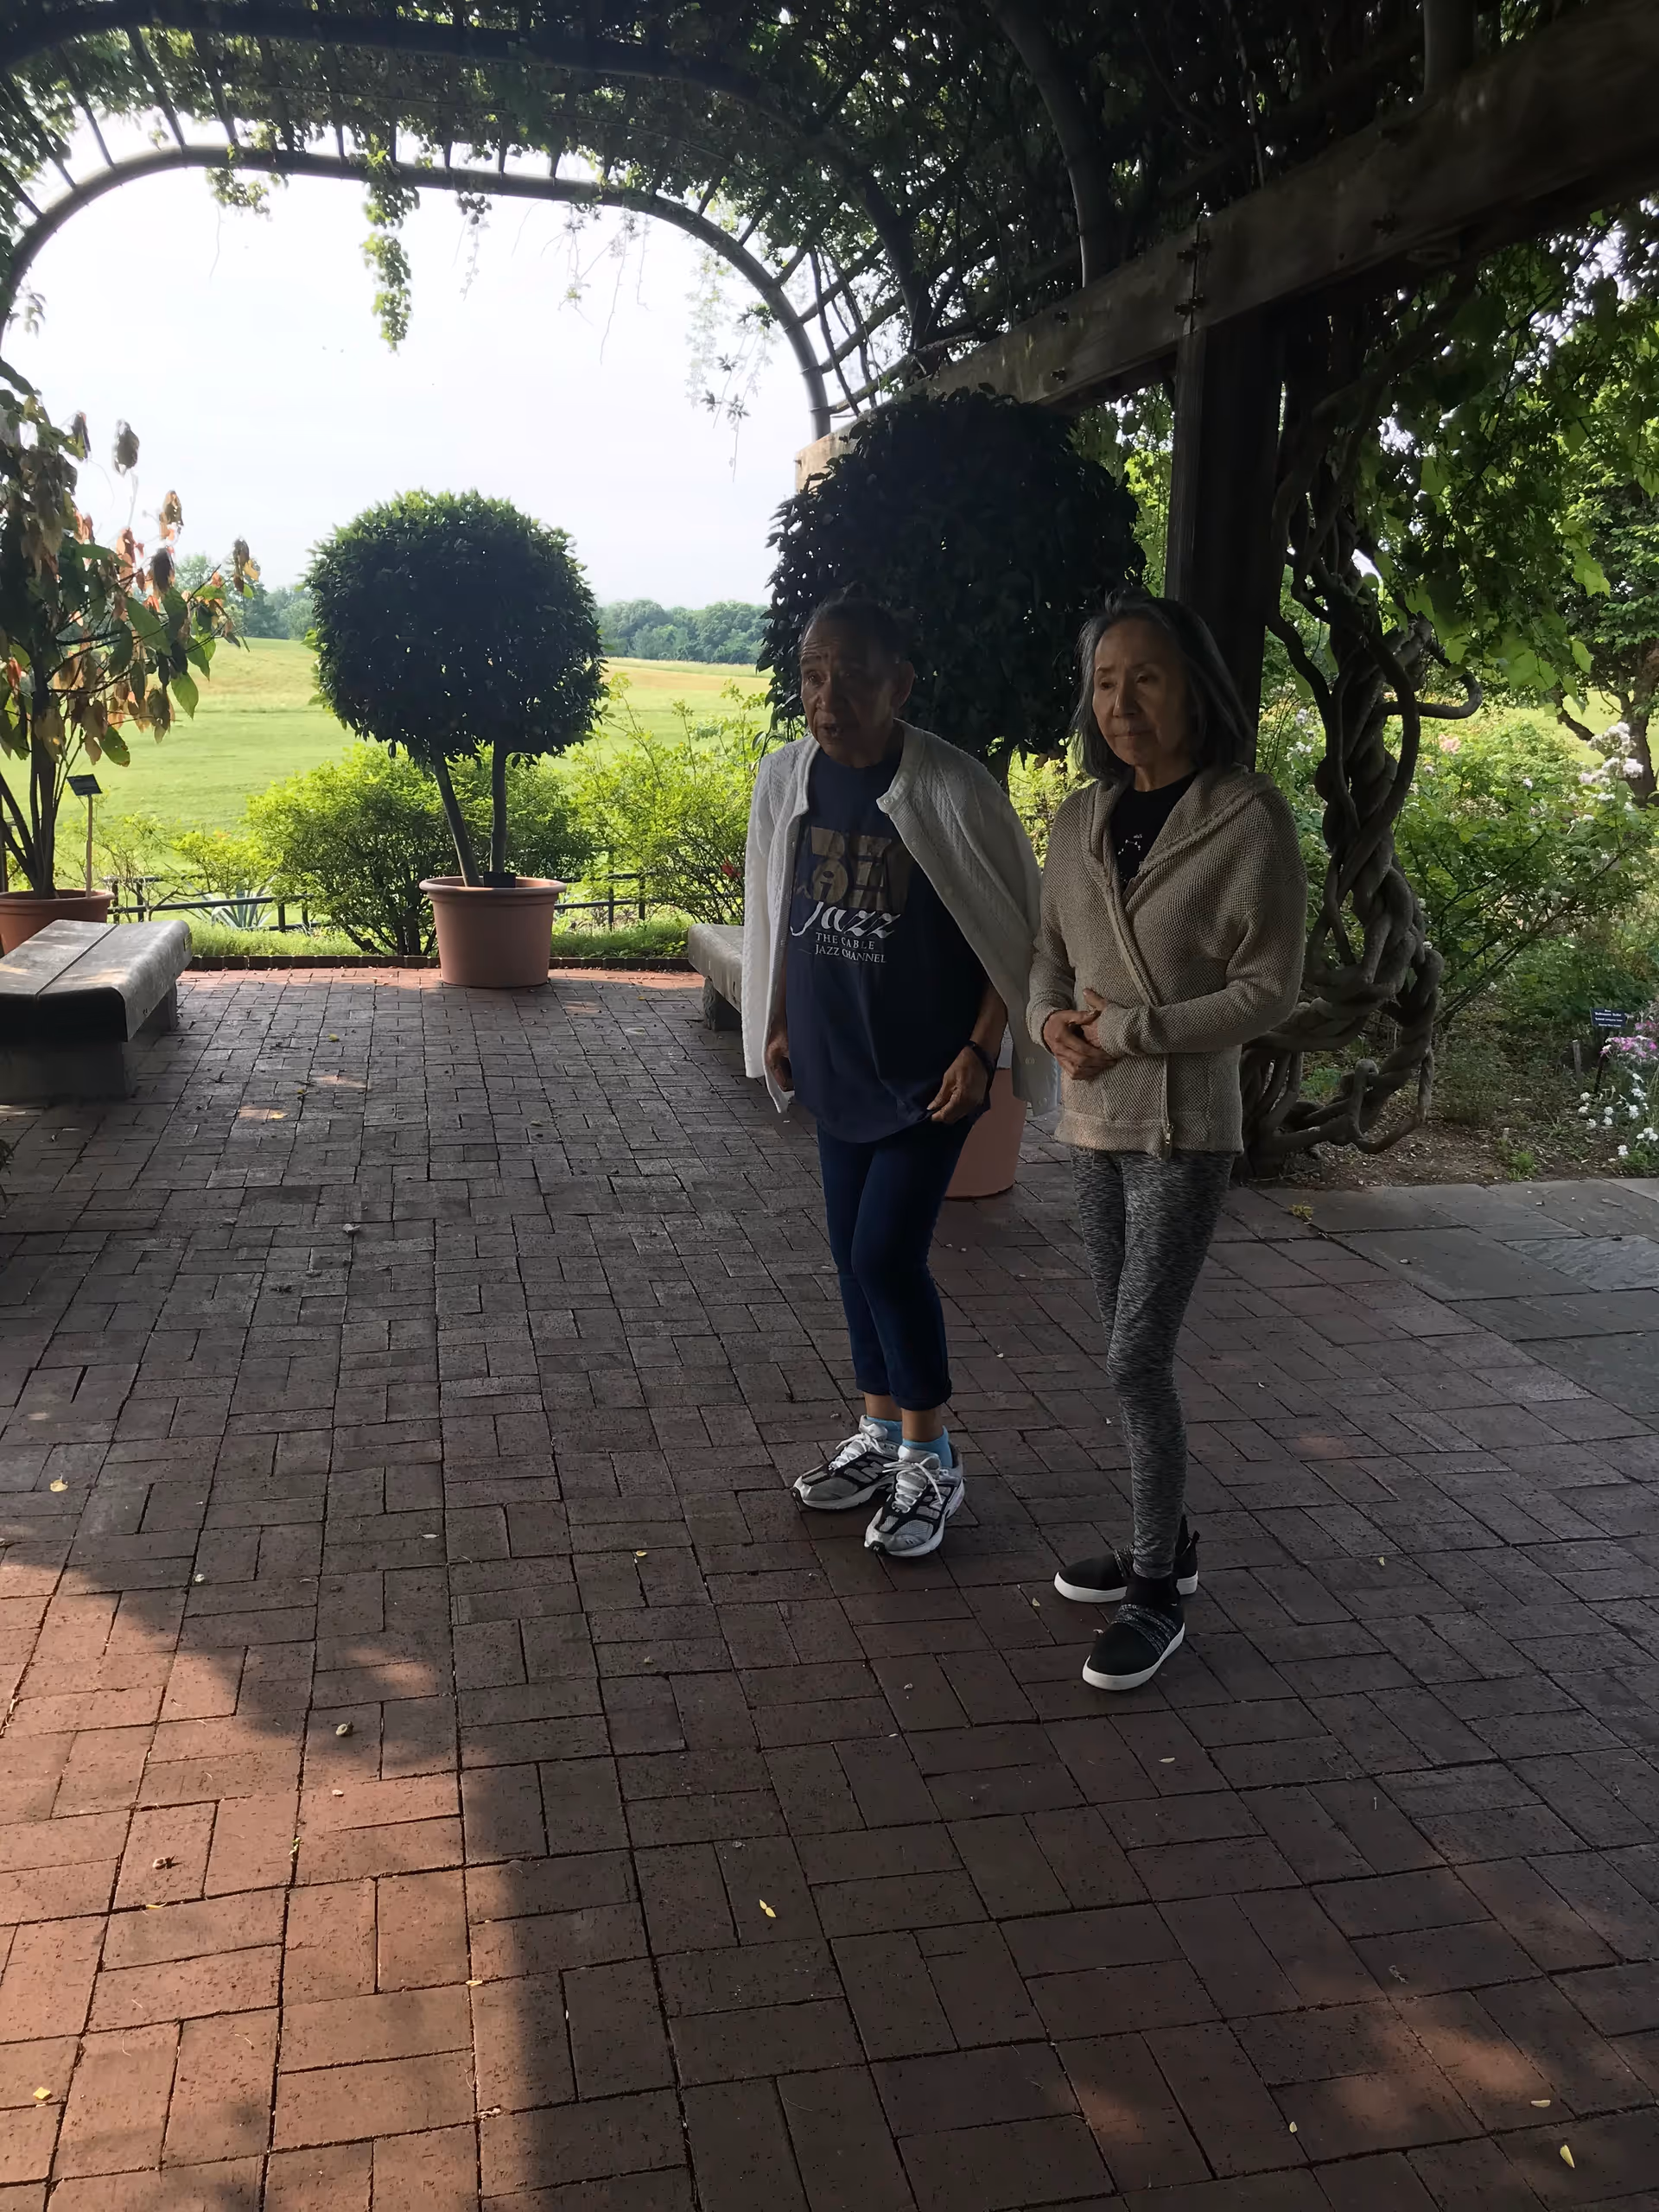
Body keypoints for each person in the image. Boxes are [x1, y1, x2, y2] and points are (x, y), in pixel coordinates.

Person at [1030, 591, 1306, 1691]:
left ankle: (1155, 1589)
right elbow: (1048, 949)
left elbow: (1268, 986)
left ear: (1194, 687)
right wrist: (1052, 1022)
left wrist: (1134, 1031)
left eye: (1145, 678)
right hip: (1091, 1121)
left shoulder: (1245, 818)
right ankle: (1169, 1546)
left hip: (1184, 1129)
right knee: (1122, 1347)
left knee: (1135, 1356)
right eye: (1106, 682)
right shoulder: (1076, 819)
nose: (1123, 702)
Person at [743, 587, 1052, 1558]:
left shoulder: (953, 788)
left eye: (853, 676)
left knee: (885, 1255)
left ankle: (934, 1456)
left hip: (933, 1074)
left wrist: (981, 1048)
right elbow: (777, 903)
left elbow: (1020, 930)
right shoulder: (788, 777)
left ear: (901, 683)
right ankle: (879, 1435)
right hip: (836, 1059)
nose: (828, 697)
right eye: (812, 674)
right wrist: (780, 1018)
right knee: (848, 1253)